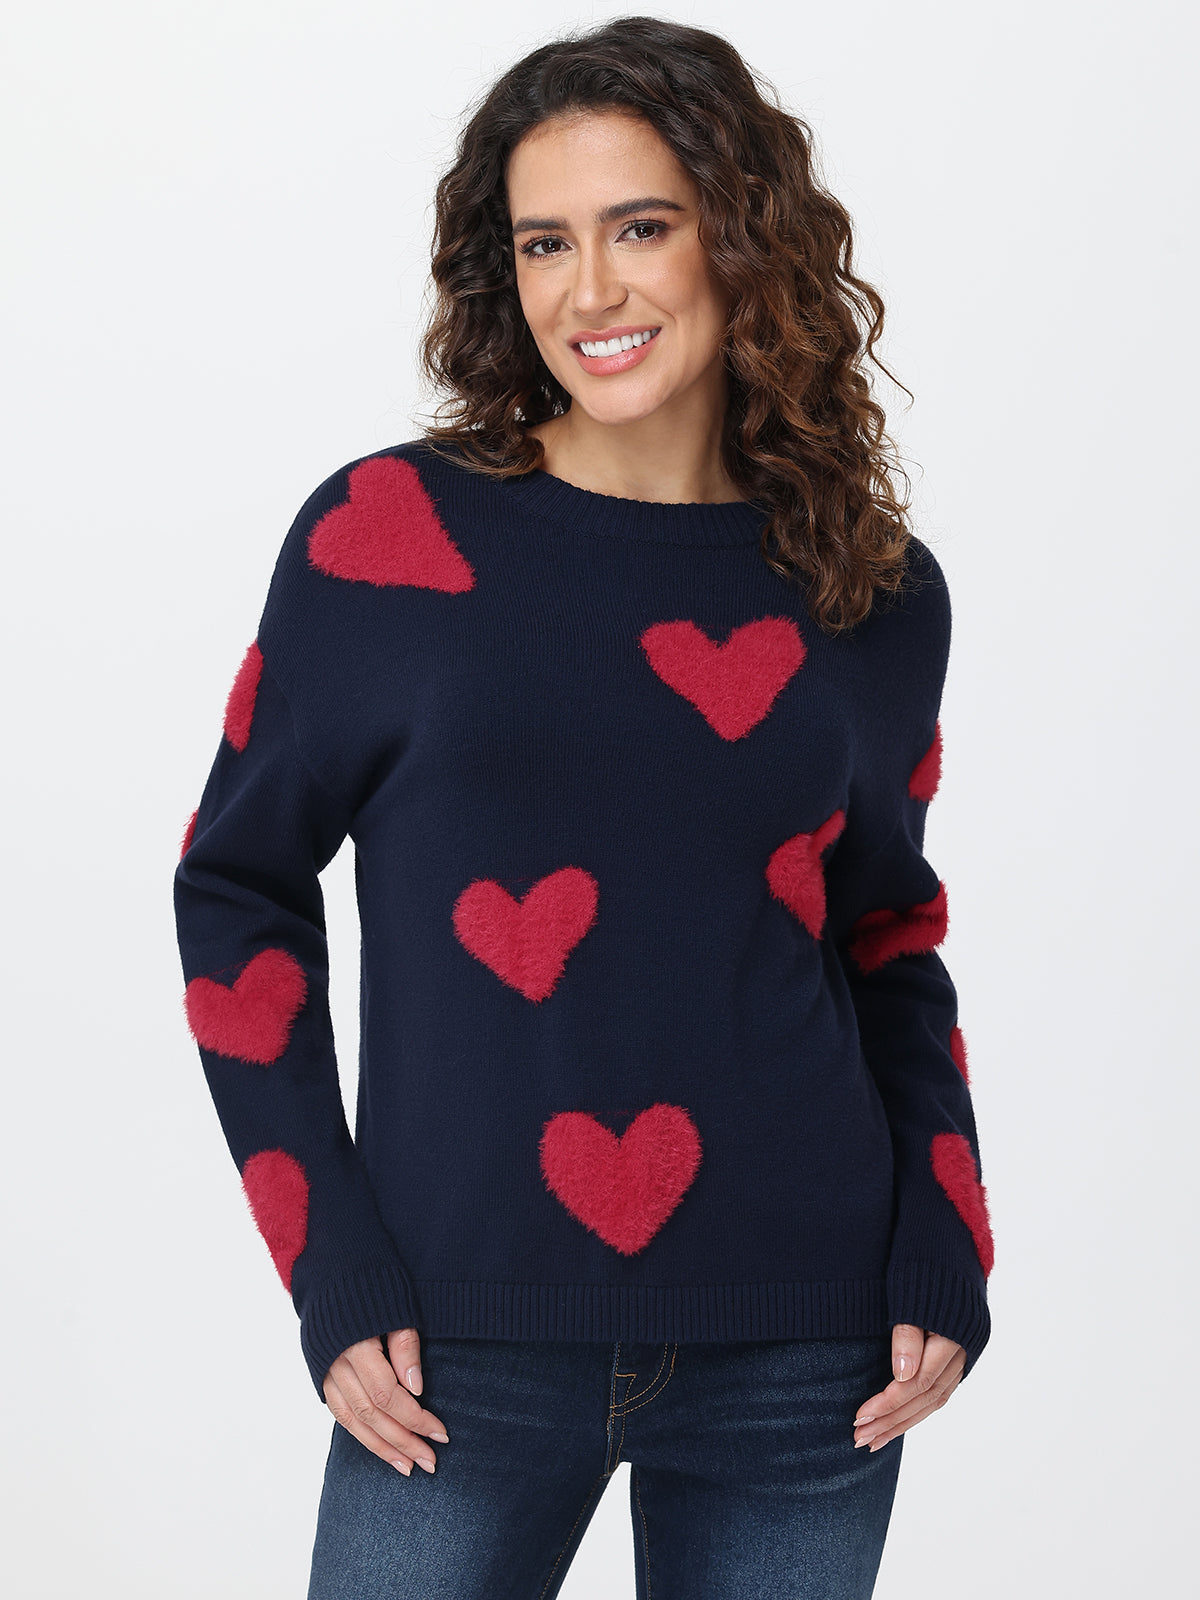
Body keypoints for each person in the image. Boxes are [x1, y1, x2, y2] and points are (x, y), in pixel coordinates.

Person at [173, 15, 993, 1598]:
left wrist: (946, 1235)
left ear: (744, 241)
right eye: (544, 242)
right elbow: (234, 891)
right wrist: (327, 1256)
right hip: (452, 1348)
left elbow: (889, 935)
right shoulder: (386, 536)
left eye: (641, 228)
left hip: (808, 1348)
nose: (590, 290)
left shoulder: (875, 590)